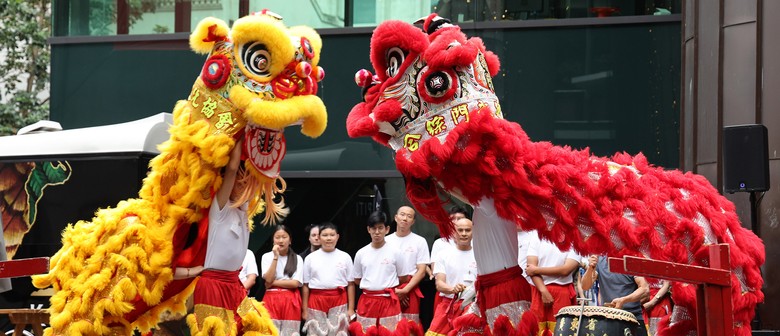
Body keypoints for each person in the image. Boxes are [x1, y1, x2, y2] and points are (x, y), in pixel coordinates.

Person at [189, 139, 257, 333]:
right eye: (240, 182)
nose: (244, 187)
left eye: (247, 183)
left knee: (255, 328)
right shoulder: (220, 209)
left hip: (235, 285)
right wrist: (240, 134)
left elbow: (259, 175)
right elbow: (233, 169)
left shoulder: (243, 208)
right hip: (213, 284)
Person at [348, 210, 408, 335]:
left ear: (387, 229)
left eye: (380, 228)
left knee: (390, 333)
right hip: (367, 301)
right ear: (368, 229)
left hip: (389, 301)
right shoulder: (361, 253)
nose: (377, 232)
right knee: (365, 332)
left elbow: (403, 277)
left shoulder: (396, 252)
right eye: (373, 228)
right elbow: (357, 279)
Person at [301, 222, 355, 336]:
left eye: (332, 235)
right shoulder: (310, 258)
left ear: (337, 237)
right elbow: (305, 286)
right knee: (316, 332)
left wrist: (351, 308)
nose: (329, 238)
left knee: (338, 333)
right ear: (319, 237)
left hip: (339, 299)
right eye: (325, 235)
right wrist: (305, 310)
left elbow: (351, 284)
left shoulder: (345, 257)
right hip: (316, 299)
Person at [426, 217, 477, 336]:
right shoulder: (443, 255)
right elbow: (439, 284)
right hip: (448, 305)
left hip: (473, 306)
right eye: (460, 230)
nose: (464, 234)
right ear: (454, 232)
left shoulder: (480, 254)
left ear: (473, 231)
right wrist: (453, 289)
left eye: (467, 230)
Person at [385, 206, 429, 334]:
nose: (405, 218)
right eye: (402, 215)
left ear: (413, 221)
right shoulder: (386, 240)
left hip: (411, 288)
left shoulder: (420, 241)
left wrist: (406, 290)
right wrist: (396, 291)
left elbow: (421, 271)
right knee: (390, 326)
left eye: (409, 216)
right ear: (396, 217)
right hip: (390, 289)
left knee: (411, 327)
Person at [525, 234, 581, 335]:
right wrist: (543, 291)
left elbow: (566, 270)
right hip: (539, 289)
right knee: (537, 330)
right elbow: (530, 267)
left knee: (561, 330)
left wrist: (536, 270)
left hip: (562, 292)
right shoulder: (537, 235)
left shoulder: (575, 238)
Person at [581, 255, 650, 336]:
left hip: (632, 318)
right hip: (608, 319)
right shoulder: (600, 260)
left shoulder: (631, 259)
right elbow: (585, 286)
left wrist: (623, 300)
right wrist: (590, 268)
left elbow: (644, 289)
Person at [261, 225, 304, 335]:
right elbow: (269, 278)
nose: (281, 240)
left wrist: (272, 283)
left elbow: (295, 283)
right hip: (271, 299)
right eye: (277, 237)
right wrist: (275, 256)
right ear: (273, 240)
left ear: (290, 240)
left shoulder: (297, 258)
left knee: (290, 332)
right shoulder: (266, 256)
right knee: (270, 331)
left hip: (291, 300)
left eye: (284, 237)